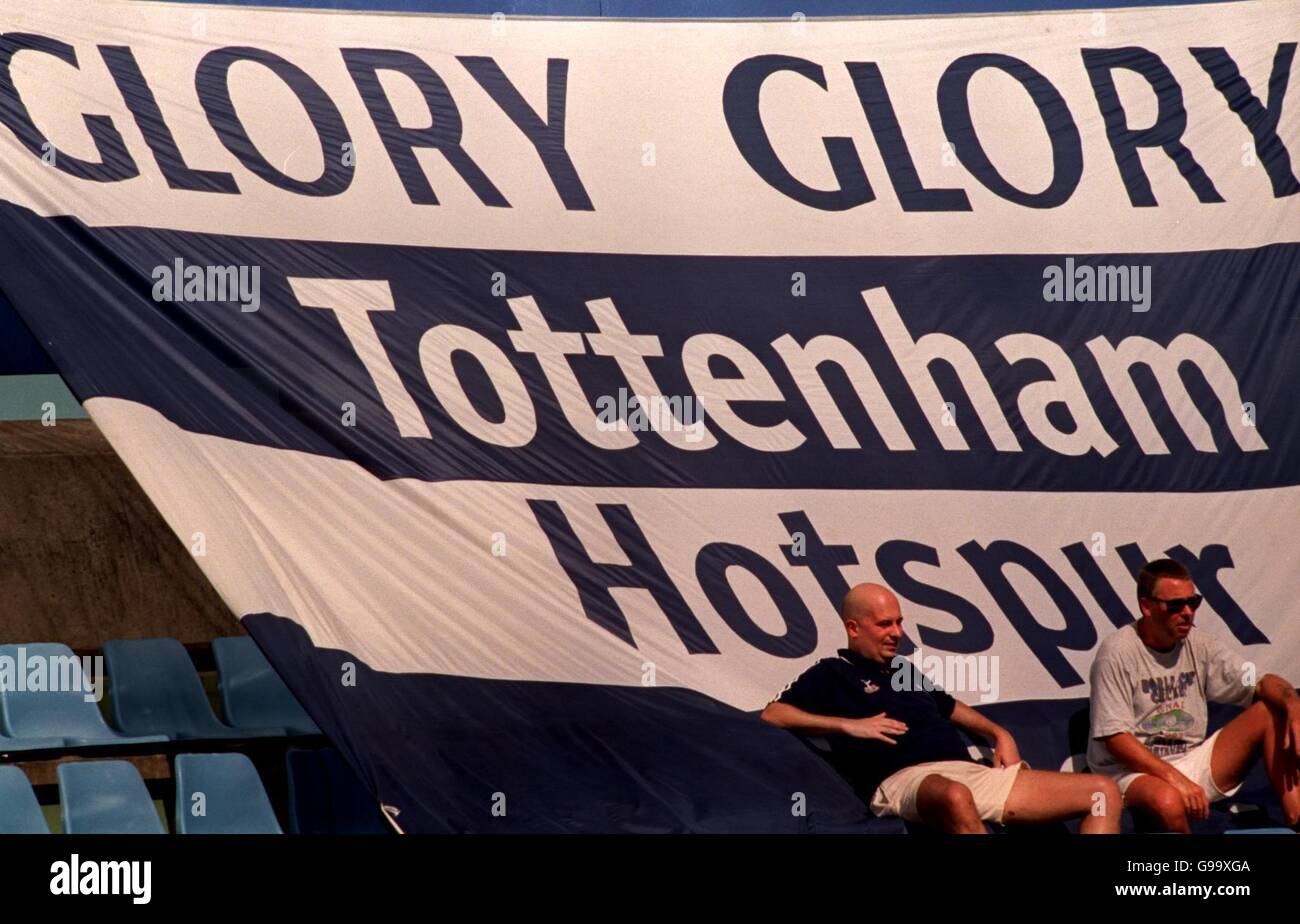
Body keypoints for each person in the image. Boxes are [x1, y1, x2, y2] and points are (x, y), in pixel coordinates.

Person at [762, 582, 1120, 833]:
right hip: (905, 780)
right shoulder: (832, 673)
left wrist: (999, 733)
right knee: (953, 795)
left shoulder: (905, 670)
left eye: (899, 622)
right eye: (884, 623)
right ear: (853, 628)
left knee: (1102, 792)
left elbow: (949, 707)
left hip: (967, 772)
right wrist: (847, 726)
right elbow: (773, 714)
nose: (896, 632)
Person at [1088, 558, 1300, 832]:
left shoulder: (1199, 644)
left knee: (1271, 710)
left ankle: (1296, 818)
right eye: (1176, 605)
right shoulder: (1116, 653)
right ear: (1146, 606)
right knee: (1168, 800)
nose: (1188, 612)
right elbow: (1116, 739)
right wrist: (1176, 780)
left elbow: (1259, 682)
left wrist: (1294, 706)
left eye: (1194, 603)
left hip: (1189, 758)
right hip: (1130, 771)